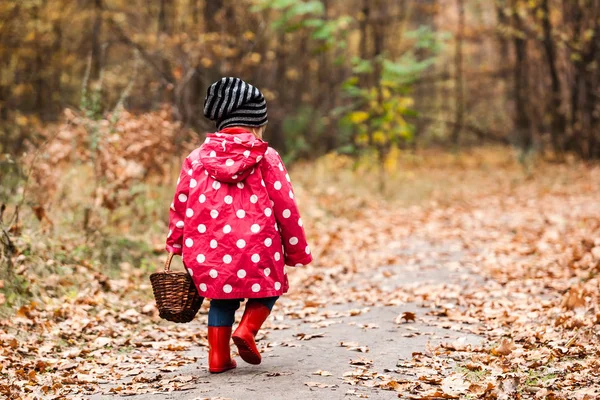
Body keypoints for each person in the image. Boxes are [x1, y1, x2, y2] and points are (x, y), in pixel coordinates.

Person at [166, 77, 313, 373]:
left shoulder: (196, 158)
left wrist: (175, 243)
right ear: (256, 121)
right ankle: (246, 330)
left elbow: (180, 203)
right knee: (269, 288)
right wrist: (295, 249)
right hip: (260, 244)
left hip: (209, 247)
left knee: (222, 297)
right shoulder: (266, 157)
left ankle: (217, 358)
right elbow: (286, 205)